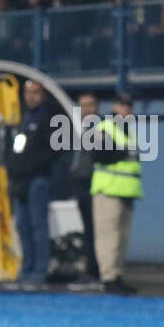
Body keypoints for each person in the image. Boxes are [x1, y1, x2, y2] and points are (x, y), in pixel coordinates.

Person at [6, 80, 61, 289]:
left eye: (35, 92)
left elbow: (53, 151)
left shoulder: (50, 117)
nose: (31, 97)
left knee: (38, 226)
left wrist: (32, 168)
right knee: (23, 226)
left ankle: (39, 273)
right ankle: (26, 270)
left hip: (38, 179)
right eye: (28, 92)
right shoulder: (25, 118)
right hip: (21, 181)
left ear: (43, 94)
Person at [90, 93, 142, 295]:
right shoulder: (105, 126)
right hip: (108, 190)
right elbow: (99, 154)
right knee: (108, 237)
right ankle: (108, 277)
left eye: (129, 104)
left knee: (121, 238)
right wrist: (120, 150)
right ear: (113, 106)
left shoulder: (128, 131)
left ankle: (117, 275)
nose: (127, 108)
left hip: (126, 192)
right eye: (122, 104)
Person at [67, 92, 102, 289]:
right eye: (83, 106)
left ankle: (96, 272)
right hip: (81, 185)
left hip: (94, 185)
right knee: (88, 231)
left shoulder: (102, 129)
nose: (86, 110)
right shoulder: (79, 129)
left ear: (97, 106)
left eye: (89, 105)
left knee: (96, 232)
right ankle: (91, 270)